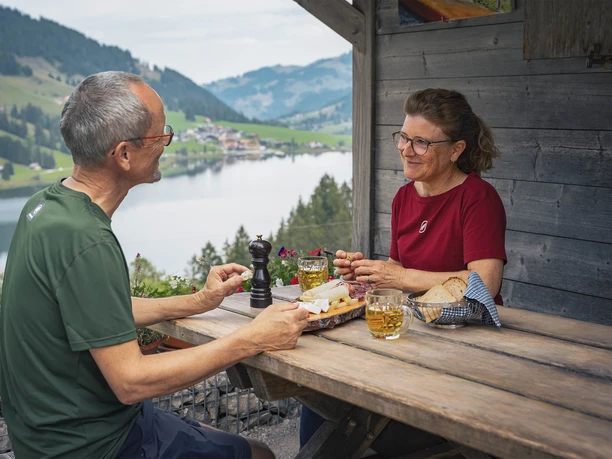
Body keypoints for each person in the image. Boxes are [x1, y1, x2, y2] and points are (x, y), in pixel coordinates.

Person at [0, 71, 309, 459]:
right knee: (260, 454)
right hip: (92, 446)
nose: (166, 144)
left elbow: (99, 310)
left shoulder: (44, 206)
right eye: (160, 136)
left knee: (224, 438)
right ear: (124, 154)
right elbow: (130, 381)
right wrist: (254, 338)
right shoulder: (86, 238)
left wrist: (197, 301)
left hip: (52, 434)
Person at [300, 88, 507, 456]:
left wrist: (396, 277)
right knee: (319, 396)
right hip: (412, 338)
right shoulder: (404, 197)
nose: (406, 149)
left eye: (421, 142)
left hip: (465, 350)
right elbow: (400, 269)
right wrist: (367, 274)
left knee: (349, 416)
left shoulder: (478, 198)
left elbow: (485, 283)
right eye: (404, 137)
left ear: (456, 149)